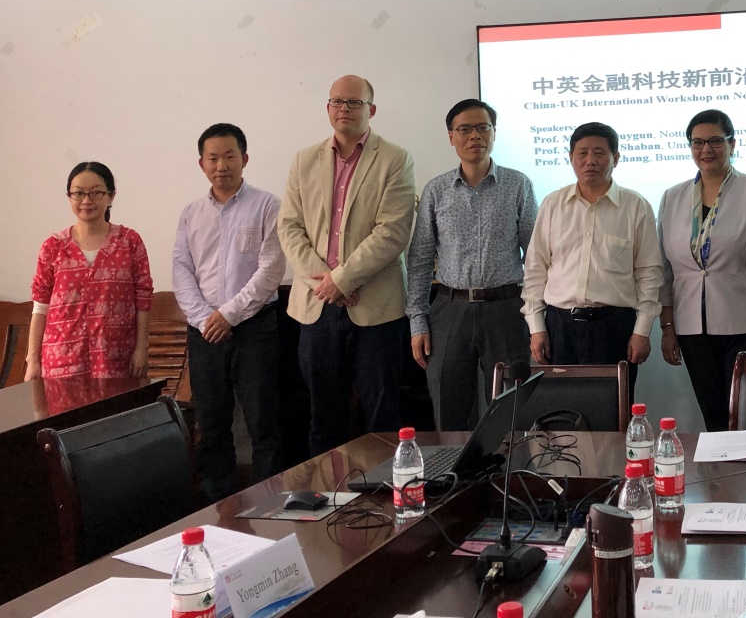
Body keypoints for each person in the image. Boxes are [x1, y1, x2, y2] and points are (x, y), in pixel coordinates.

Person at [278, 75, 417, 456]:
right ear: (327, 108)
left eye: (354, 102)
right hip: (316, 307)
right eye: (337, 102)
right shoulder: (304, 160)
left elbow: (392, 231)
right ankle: (327, 492)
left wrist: (342, 279)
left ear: (371, 110)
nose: (344, 109)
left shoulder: (395, 159)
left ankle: (386, 491)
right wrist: (324, 284)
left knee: (382, 415)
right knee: (324, 418)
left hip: (376, 308)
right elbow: (289, 227)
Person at [657, 109, 746, 431]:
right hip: (693, 327)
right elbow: (665, 269)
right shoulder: (672, 197)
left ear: (733, 144)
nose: (706, 149)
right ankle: (719, 467)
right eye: (697, 142)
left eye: (715, 141)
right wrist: (667, 326)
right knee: (714, 414)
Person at [406, 98, 537, 430]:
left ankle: (508, 465)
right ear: (451, 136)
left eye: (482, 127)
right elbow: (420, 260)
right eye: (465, 129)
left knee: (510, 410)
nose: (475, 136)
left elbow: (536, 255)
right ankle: (455, 466)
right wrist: (417, 322)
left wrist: (537, 317)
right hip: (450, 310)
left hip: (506, 308)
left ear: (494, 132)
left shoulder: (518, 184)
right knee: (450, 408)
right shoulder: (436, 190)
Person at [172, 123, 287, 500]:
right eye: (213, 158)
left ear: (245, 159)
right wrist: (205, 318)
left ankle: (268, 506)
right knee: (212, 425)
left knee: (263, 423)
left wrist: (228, 315)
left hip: (255, 328)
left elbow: (271, 269)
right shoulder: (190, 213)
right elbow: (181, 269)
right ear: (201, 164)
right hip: (204, 331)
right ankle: (216, 505)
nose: (221, 165)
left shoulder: (268, 205)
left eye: (229, 156)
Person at [521, 122, 662, 388]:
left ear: (616, 158)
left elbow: (649, 274)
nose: (590, 161)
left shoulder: (636, 206)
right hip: (559, 328)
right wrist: (537, 327)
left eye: (599, 153)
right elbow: (535, 269)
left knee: (614, 406)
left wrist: (642, 331)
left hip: (614, 328)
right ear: (571, 158)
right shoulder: (553, 204)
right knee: (562, 407)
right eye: (582, 153)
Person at [27, 162, 152, 381]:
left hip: (116, 358)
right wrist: (32, 360)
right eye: (78, 193)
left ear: (110, 196)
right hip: (62, 361)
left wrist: (141, 349)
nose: (86, 200)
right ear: (69, 197)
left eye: (96, 192)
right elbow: (40, 305)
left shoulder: (129, 242)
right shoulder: (53, 246)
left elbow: (143, 300)